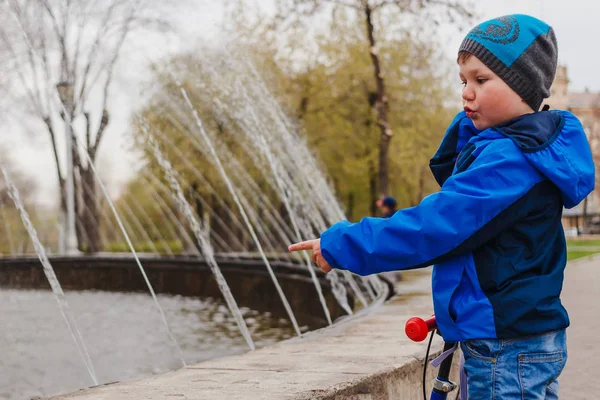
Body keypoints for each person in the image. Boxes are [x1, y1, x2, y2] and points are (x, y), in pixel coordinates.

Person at [289, 14, 595, 399]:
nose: (467, 92)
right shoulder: (515, 152)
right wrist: (471, 131)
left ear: (524, 87)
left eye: (481, 80)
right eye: (464, 81)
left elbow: (434, 227)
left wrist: (343, 243)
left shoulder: (510, 162)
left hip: (504, 344)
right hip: (515, 338)